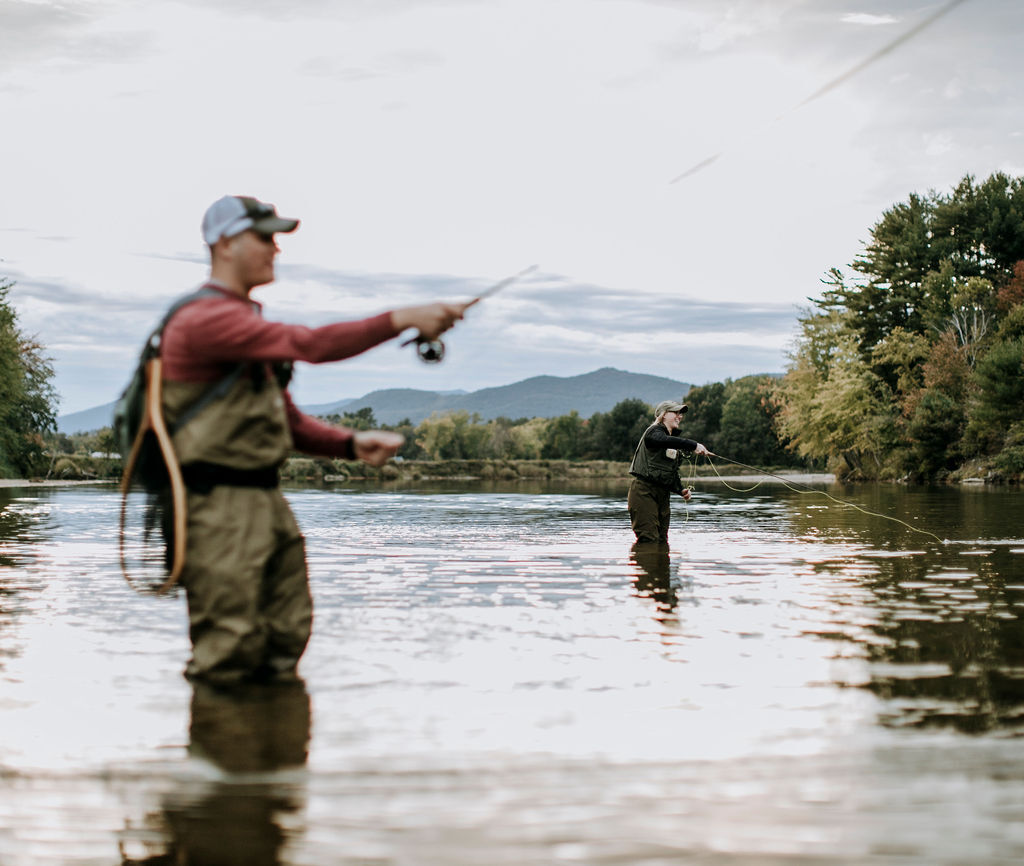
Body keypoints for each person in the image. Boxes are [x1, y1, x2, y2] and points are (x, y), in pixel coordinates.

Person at [157, 194, 468, 685]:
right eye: (263, 237)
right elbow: (311, 345)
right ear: (224, 244)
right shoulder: (205, 319)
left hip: (265, 504)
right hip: (215, 509)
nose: (275, 249)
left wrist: (348, 444)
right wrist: (405, 317)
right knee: (229, 655)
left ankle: (273, 757)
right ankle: (218, 754)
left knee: (285, 641)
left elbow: (287, 421)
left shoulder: (246, 325)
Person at [627, 399, 710, 543]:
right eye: (676, 412)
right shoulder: (653, 432)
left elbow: (670, 472)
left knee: (661, 540)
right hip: (643, 492)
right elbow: (661, 440)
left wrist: (680, 490)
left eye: (681, 413)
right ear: (664, 414)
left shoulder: (670, 441)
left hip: (663, 495)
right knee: (649, 539)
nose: (680, 416)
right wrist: (693, 445)